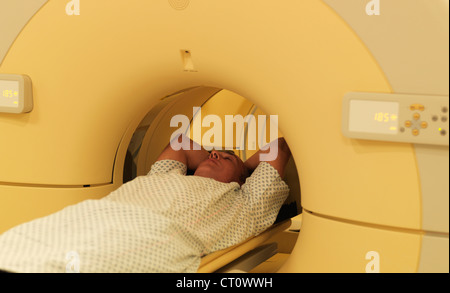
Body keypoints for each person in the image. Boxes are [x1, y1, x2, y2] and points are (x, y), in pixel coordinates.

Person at [0, 135, 292, 273]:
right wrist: (224, 160)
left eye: (224, 158)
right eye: (211, 154)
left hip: (153, 233)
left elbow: (279, 147)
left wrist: (243, 168)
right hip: (98, 213)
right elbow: (180, 142)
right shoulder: (166, 176)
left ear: (243, 180)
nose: (213, 155)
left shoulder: (245, 203)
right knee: (23, 241)